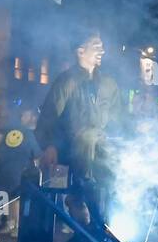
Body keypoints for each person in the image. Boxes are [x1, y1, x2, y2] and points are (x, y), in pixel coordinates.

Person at [36, 31, 120, 188]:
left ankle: (86, 194)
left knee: (100, 197)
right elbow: (49, 115)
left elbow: (117, 118)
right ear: (81, 51)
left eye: (102, 47)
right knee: (58, 198)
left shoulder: (109, 84)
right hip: (64, 155)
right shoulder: (66, 81)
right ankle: (75, 197)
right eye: (96, 47)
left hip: (99, 156)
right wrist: (49, 145)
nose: (102, 51)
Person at [0, 107, 39, 237]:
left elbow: (35, 154)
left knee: (15, 197)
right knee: (11, 197)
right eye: (26, 115)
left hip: (18, 168)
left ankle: (16, 226)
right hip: (8, 167)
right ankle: (12, 224)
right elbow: (36, 154)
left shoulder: (25, 132)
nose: (27, 118)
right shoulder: (19, 130)